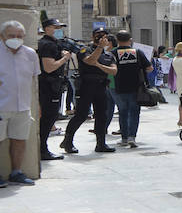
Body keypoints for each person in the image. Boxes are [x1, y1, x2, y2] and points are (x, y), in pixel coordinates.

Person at [59, 32, 117, 155]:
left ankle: (101, 144)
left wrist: (99, 65)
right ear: (93, 37)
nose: (101, 38)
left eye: (104, 36)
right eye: (98, 35)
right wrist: (99, 48)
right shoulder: (84, 49)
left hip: (101, 87)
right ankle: (68, 141)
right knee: (81, 115)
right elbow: (90, 61)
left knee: (102, 116)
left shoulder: (108, 54)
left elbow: (113, 71)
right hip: (86, 86)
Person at [0, 20, 41, 185]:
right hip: (1, 106)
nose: (15, 39)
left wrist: (37, 105)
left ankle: (16, 172)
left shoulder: (30, 54)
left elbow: (33, 80)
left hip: (23, 107)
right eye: (11, 36)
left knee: (19, 139)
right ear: (2, 36)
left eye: (19, 36)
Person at [35, 17, 69, 161]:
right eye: (55, 28)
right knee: (48, 118)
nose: (58, 30)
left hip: (51, 85)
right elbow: (48, 68)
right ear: (47, 28)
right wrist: (64, 58)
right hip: (49, 86)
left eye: (59, 27)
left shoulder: (50, 43)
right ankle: (43, 150)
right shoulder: (47, 45)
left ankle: (43, 148)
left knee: (49, 118)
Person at [111, 31, 151, 148]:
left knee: (123, 112)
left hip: (119, 87)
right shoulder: (137, 52)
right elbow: (149, 68)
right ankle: (132, 137)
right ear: (130, 40)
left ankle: (124, 138)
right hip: (136, 87)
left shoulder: (113, 53)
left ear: (117, 40)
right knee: (134, 112)